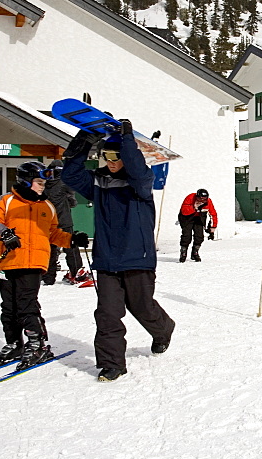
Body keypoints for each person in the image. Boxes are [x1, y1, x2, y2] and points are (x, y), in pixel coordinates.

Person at [61, 123, 176, 382]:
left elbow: (137, 170)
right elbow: (70, 174)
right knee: (107, 313)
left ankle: (163, 329)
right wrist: (86, 138)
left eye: (116, 157)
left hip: (138, 258)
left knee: (142, 307)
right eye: (107, 156)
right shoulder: (98, 183)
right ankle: (112, 364)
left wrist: (126, 141)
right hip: (107, 259)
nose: (111, 162)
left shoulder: (142, 184)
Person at [0, 161, 88, 370]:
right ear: (26, 181)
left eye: (44, 182)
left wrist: (72, 240)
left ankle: (36, 343)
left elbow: (53, 233)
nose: (43, 186)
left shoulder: (47, 206)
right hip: (9, 261)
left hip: (34, 262)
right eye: (39, 182)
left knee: (26, 304)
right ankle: (14, 343)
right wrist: (5, 233)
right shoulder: (7, 201)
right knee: (9, 307)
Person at [43, 159, 91, 286]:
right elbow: (72, 200)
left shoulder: (44, 184)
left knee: (52, 248)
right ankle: (77, 272)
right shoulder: (63, 183)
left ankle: (49, 276)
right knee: (70, 246)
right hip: (64, 219)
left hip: (48, 221)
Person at [178, 188, 219, 263]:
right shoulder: (190, 197)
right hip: (186, 217)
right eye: (200, 199)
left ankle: (195, 252)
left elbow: (213, 214)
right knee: (186, 236)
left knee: (199, 236)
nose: (202, 201)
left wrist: (213, 227)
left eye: (204, 199)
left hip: (199, 218)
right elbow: (184, 211)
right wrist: (194, 207)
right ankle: (183, 252)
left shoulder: (208, 202)